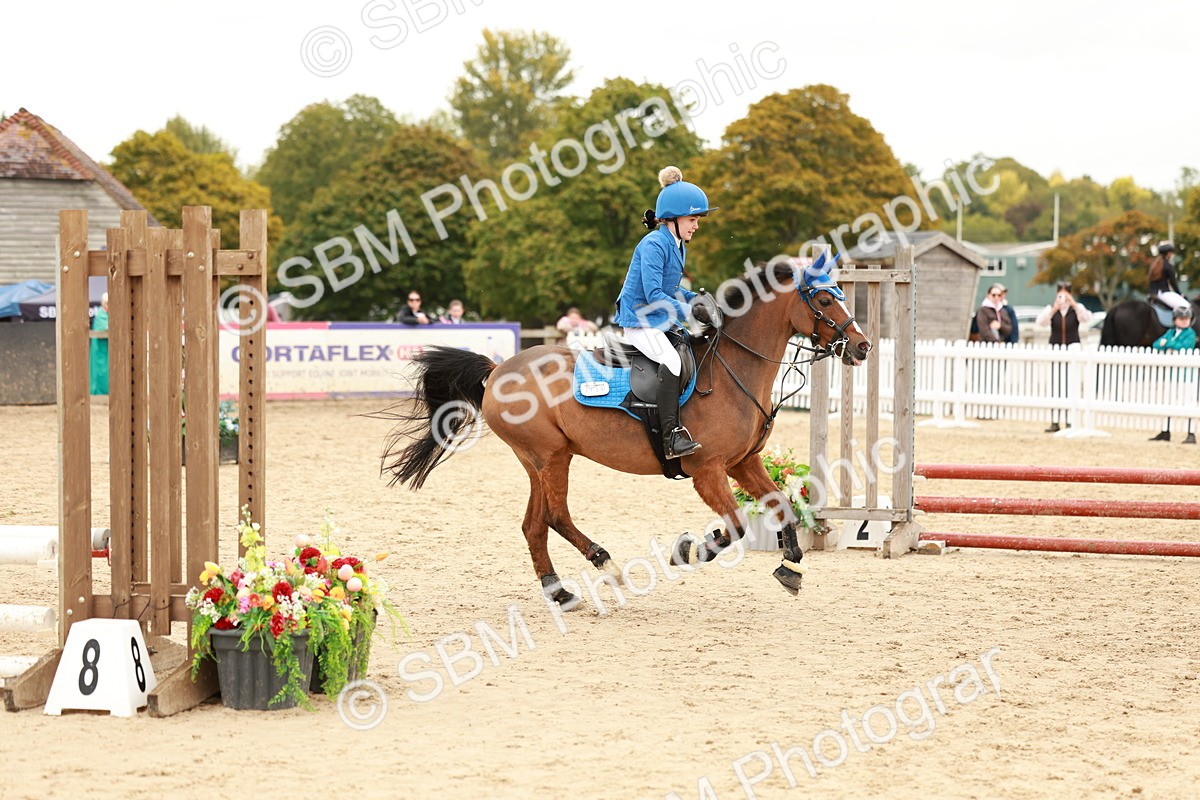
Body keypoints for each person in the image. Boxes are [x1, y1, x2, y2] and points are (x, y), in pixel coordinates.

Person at [613, 166, 715, 459]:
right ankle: (671, 437)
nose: (696, 225)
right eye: (693, 219)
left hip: (657, 318)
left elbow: (672, 289)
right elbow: (655, 294)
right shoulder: (654, 244)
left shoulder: (677, 244)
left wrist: (700, 300)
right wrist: (690, 312)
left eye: (696, 220)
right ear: (673, 219)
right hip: (638, 320)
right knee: (671, 360)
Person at [1036, 283, 1092, 432]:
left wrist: (1073, 303)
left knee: (1070, 385)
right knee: (1056, 386)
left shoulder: (1076, 309)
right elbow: (1041, 323)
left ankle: (1069, 419)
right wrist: (1055, 308)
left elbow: (1086, 318)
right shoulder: (1051, 309)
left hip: (1072, 351)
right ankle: (1055, 420)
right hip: (1056, 350)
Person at [1148, 306, 1198, 442]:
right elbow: (1156, 344)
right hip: (1171, 375)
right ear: (1175, 320)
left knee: (1188, 403)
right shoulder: (1170, 332)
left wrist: (1168, 343)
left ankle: (1191, 433)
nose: (1184, 321)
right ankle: (1165, 430)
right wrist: (1167, 343)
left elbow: (1184, 346)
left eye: (1186, 319)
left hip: (1186, 376)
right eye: (1181, 319)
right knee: (1167, 402)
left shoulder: (1190, 334)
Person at [1149, 241, 1189, 313]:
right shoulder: (1168, 266)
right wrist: (1180, 294)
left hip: (1152, 293)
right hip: (1163, 293)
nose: (1172, 254)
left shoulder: (1154, 265)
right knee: (1186, 306)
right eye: (1171, 253)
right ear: (1168, 254)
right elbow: (1173, 283)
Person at [89, 292, 110, 396]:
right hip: (100, 351)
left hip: (107, 350)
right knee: (101, 372)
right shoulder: (101, 315)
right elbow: (105, 327)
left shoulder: (107, 315)